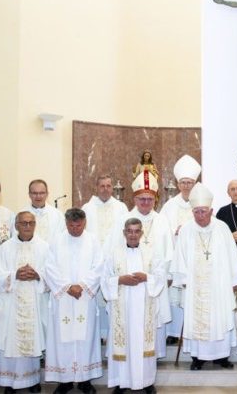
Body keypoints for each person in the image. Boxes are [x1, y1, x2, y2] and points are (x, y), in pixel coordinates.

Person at [171, 183, 237, 370]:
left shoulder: (222, 228)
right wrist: (184, 280)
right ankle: (198, 357)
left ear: (211, 211)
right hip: (196, 287)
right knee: (197, 319)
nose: (200, 216)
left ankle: (222, 357)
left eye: (203, 212)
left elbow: (233, 256)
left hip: (220, 286)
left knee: (220, 317)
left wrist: (235, 281)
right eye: (196, 212)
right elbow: (180, 257)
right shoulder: (186, 230)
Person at [113, 171, 173, 359]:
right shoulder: (122, 220)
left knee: (152, 319)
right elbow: (113, 252)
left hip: (154, 282)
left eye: (149, 199)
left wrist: (167, 275)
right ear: (134, 198)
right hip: (128, 285)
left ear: (155, 199)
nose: (146, 203)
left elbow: (169, 251)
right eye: (142, 199)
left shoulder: (162, 220)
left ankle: (152, 358)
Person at [101, 218, 166, 394]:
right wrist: (120, 280)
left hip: (145, 308)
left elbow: (161, 276)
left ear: (141, 233)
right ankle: (121, 382)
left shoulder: (152, 253)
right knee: (123, 343)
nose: (133, 234)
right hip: (122, 310)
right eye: (129, 231)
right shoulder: (113, 254)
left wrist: (147, 278)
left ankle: (146, 382)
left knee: (143, 344)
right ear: (124, 233)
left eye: (137, 231)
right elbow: (104, 279)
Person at [44, 208, 104, 394]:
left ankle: (85, 380)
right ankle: (65, 380)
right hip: (63, 298)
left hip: (85, 298)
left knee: (86, 339)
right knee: (63, 339)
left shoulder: (93, 240)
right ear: (66, 223)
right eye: (71, 225)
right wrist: (67, 287)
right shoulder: (56, 240)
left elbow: (99, 265)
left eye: (78, 225)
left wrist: (83, 286)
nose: (75, 229)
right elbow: (49, 266)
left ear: (84, 223)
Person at [0, 211, 49, 394]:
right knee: (10, 342)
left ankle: (31, 380)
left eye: (31, 223)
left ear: (35, 225)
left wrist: (38, 275)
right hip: (11, 302)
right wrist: (14, 275)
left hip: (34, 302)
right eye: (24, 223)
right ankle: (9, 381)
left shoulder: (44, 247)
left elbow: (52, 273)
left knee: (31, 342)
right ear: (16, 225)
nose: (28, 227)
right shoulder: (5, 248)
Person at [82, 174, 129, 343]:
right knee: (95, 299)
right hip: (93, 261)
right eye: (102, 186)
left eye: (109, 186)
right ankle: (96, 335)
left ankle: (112, 334)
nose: (106, 189)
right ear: (96, 187)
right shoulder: (87, 208)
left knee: (113, 297)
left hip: (114, 260)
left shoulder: (121, 208)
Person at [160, 154, 202, 344]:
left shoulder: (202, 203)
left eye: (190, 182)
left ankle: (192, 331)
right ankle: (175, 333)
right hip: (176, 257)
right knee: (174, 295)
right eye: (183, 182)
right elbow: (162, 231)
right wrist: (174, 232)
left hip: (196, 259)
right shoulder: (169, 206)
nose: (186, 186)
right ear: (178, 184)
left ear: (195, 183)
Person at [25, 179, 65, 243]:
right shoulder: (21, 215)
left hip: (51, 252)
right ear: (29, 194)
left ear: (47, 194)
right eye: (35, 193)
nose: (38, 196)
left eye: (41, 193)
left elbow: (62, 238)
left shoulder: (57, 215)